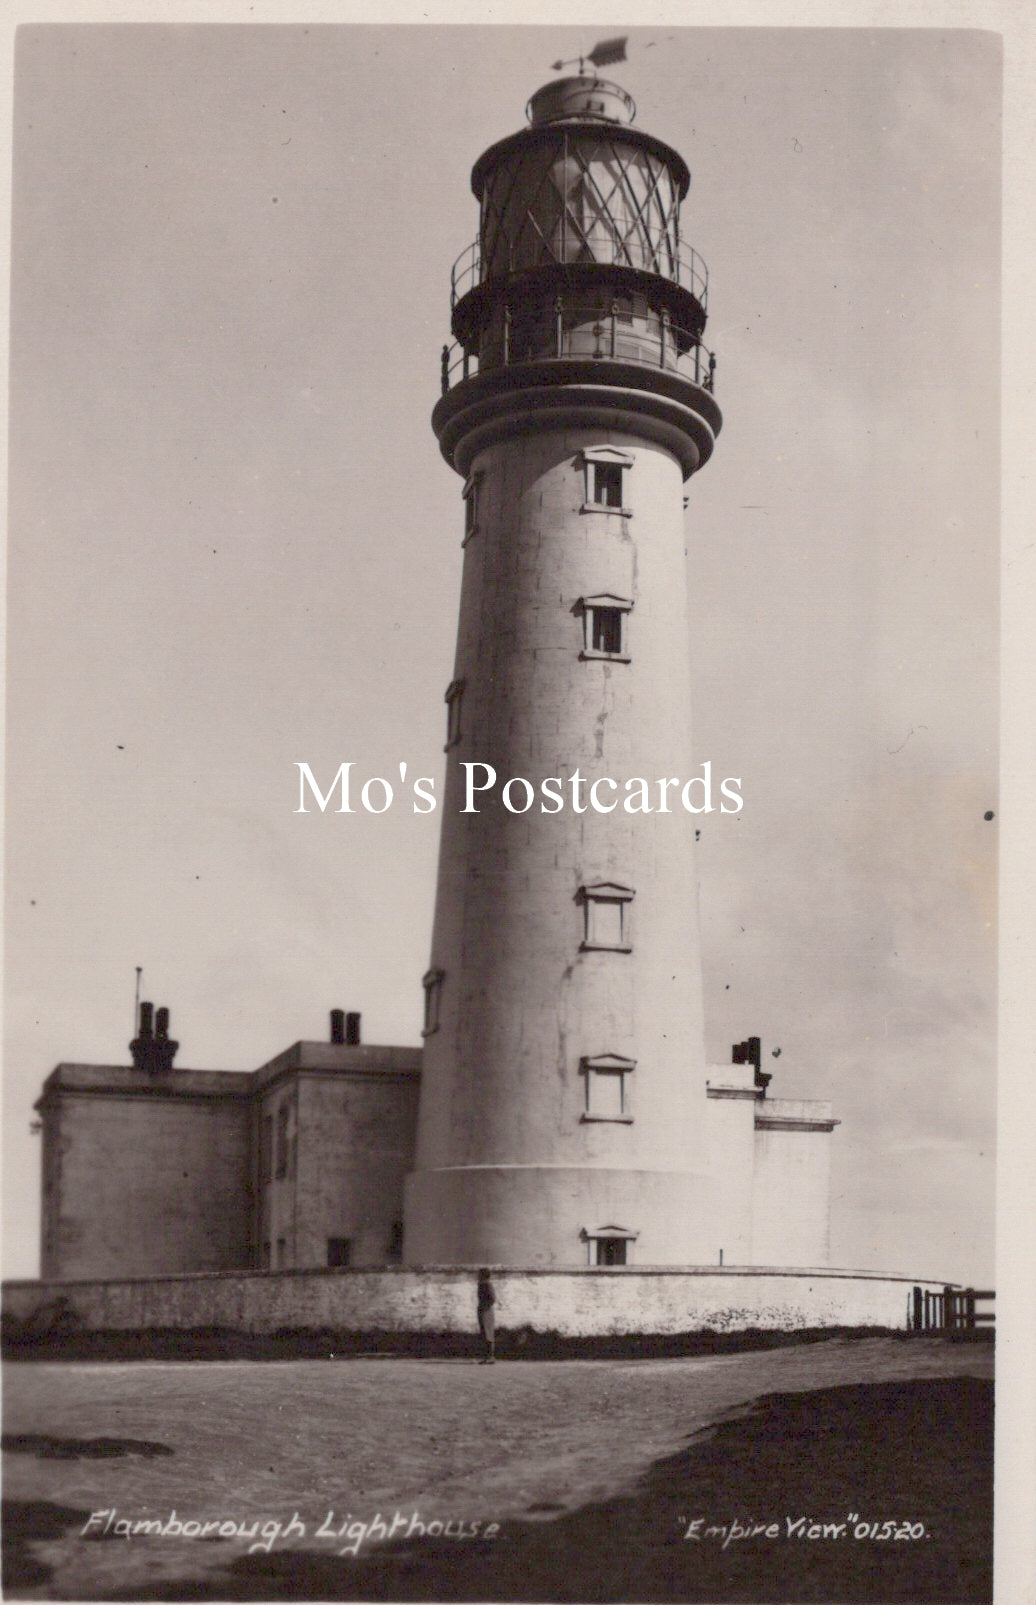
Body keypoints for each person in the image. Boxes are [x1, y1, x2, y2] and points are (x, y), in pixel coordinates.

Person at [476, 1267, 496, 1364]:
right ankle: (488, 1356)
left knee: (488, 1334)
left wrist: (484, 1307)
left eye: (479, 1274)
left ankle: (490, 1357)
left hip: (486, 1311)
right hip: (483, 1310)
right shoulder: (482, 1285)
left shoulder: (487, 1285)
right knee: (485, 1333)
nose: (477, 1276)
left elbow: (492, 1299)